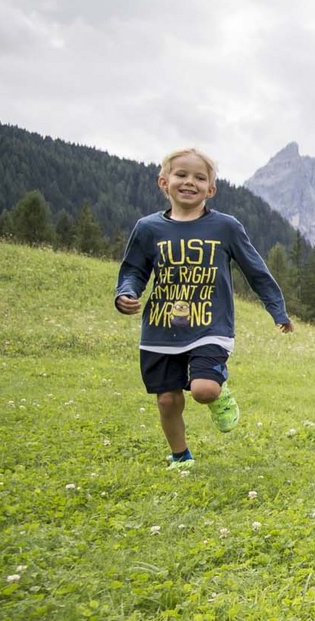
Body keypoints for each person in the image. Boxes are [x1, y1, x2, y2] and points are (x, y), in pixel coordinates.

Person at [114, 148, 293, 468]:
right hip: (160, 327)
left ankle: (219, 391)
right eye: (181, 175)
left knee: (205, 389)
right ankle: (181, 456)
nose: (189, 182)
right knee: (168, 399)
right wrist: (126, 291)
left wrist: (277, 310)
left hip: (211, 325)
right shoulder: (148, 228)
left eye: (199, 178)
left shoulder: (226, 227)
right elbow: (134, 270)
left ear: (211, 189)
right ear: (163, 182)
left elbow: (256, 270)